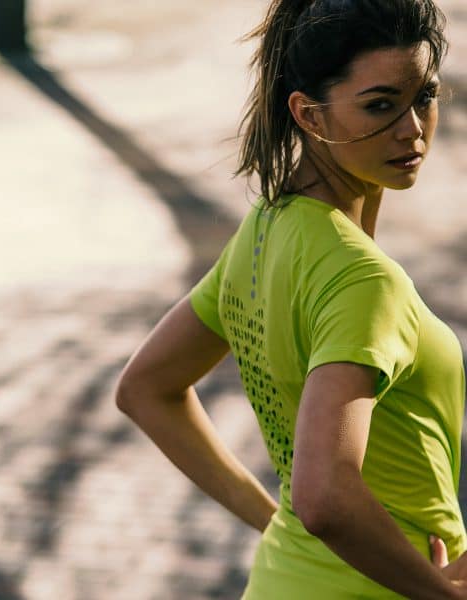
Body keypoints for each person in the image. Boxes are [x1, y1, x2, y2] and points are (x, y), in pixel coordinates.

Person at [115, 0, 467, 597]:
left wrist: (275, 521)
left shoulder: (266, 228)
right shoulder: (363, 282)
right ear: (310, 114)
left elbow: (146, 389)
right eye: (380, 105)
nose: (413, 129)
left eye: (425, 97)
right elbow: (325, 497)